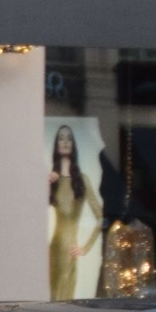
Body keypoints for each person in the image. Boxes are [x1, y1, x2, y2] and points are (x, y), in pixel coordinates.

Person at [46, 126, 104, 300]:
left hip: (69, 249)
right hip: (54, 248)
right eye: (61, 138)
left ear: (73, 145)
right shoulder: (52, 180)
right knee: (52, 296)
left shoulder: (81, 180)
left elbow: (100, 217)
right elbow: (33, 211)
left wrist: (85, 248)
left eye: (69, 138)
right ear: (56, 144)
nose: (65, 141)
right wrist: (45, 185)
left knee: (64, 297)